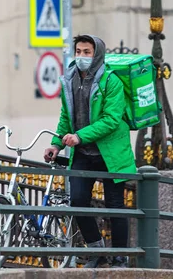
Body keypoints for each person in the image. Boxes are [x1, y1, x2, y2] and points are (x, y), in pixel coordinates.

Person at [44, 34, 137, 268]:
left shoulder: (111, 81)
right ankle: (98, 253)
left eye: (87, 52)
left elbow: (111, 120)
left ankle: (119, 257)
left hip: (111, 154)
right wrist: (57, 143)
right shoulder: (70, 80)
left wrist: (79, 136)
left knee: (115, 206)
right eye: (79, 51)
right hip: (83, 154)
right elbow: (67, 117)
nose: (82, 56)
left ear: (97, 55)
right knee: (77, 201)